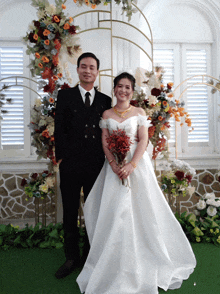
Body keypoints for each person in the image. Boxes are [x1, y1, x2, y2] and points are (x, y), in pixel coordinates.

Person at [76, 72, 196, 294]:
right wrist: (113, 163)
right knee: (113, 212)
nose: (123, 90)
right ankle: (112, 262)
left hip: (137, 167)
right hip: (113, 170)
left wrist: (132, 164)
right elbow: (104, 141)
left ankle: (145, 259)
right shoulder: (107, 113)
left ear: (132, 91)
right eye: (119, 86)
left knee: (143, 211)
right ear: (114, 89)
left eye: (127, 87)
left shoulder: (139, 112)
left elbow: (143, 139)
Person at [54, 52, 112, 279]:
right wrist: (60, 157)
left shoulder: (105, 100)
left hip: (95, 166)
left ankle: (90, 257)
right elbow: (59, 127)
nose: (88, 70)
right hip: (70, 165)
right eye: (84, 66)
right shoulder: (65, 96)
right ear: (78, 69)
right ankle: (71, 258)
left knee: (93, 212)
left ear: (97, 73)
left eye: (92, 67)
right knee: (69, 211)